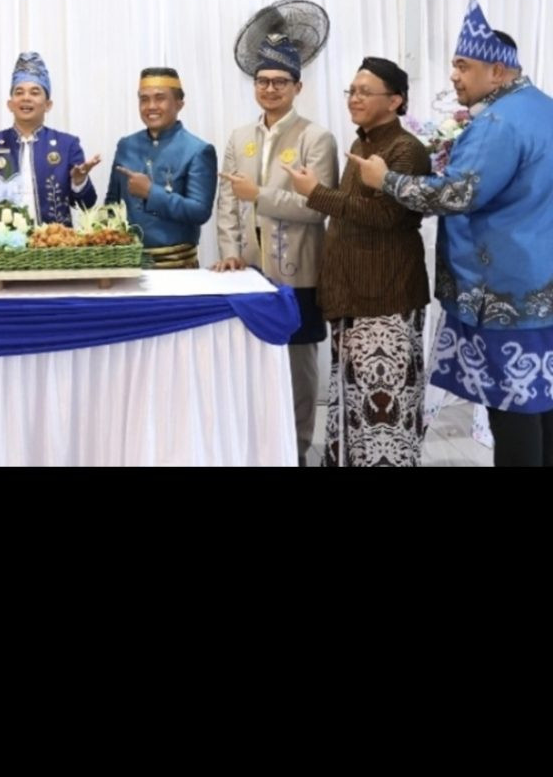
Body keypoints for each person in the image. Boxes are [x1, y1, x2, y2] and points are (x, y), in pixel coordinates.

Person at [351, 0, 553, 469]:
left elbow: (456, 194)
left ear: (497, 72)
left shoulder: (498, 122)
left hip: (504, 289)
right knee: (542, 401)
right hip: (541, 282)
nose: (454, 76)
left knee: (512, 408)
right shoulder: (542, 108)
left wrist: (386, 179)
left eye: (463, 66)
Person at [286, 58, 431, 468]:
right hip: (351, 296)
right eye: (351, 91)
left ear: (395, 100)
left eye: (365, 92)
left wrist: (316, 192)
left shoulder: (406, 150)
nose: (354, 98)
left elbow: (388, 217)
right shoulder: (363, 144)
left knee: (386, 409)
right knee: (352, 405)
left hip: (387, 298)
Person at [215, 39, 339, 464]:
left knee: (297, 367)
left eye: (280, 82)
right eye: (262, 81)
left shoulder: (316, 138)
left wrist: (260, 195)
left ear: (297, 87)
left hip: (298, 271)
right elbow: (227, 202)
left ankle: (297, 449)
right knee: (253, 361)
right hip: (249, 272)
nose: (269, 89)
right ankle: (259, 448)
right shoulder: (239, 137)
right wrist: (230, 251)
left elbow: (316, 206)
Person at [0, 53, 100, 225]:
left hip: (54, 240)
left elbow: (86, 204)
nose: (26, 98)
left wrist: (79, 181)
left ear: (48, 105)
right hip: (1, 241)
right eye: (19, 92)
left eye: (34, 92)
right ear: (10, 105)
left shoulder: (67, 145)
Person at [106, 69, 217, 268]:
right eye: (144, 99)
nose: (151, 106)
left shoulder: (198, 150)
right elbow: (112, 204)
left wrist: (151, 193)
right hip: (126, 265)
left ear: (179, 104)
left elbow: (200, 211)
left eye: (160, 98)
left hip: (177, 267)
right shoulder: (126, 145)